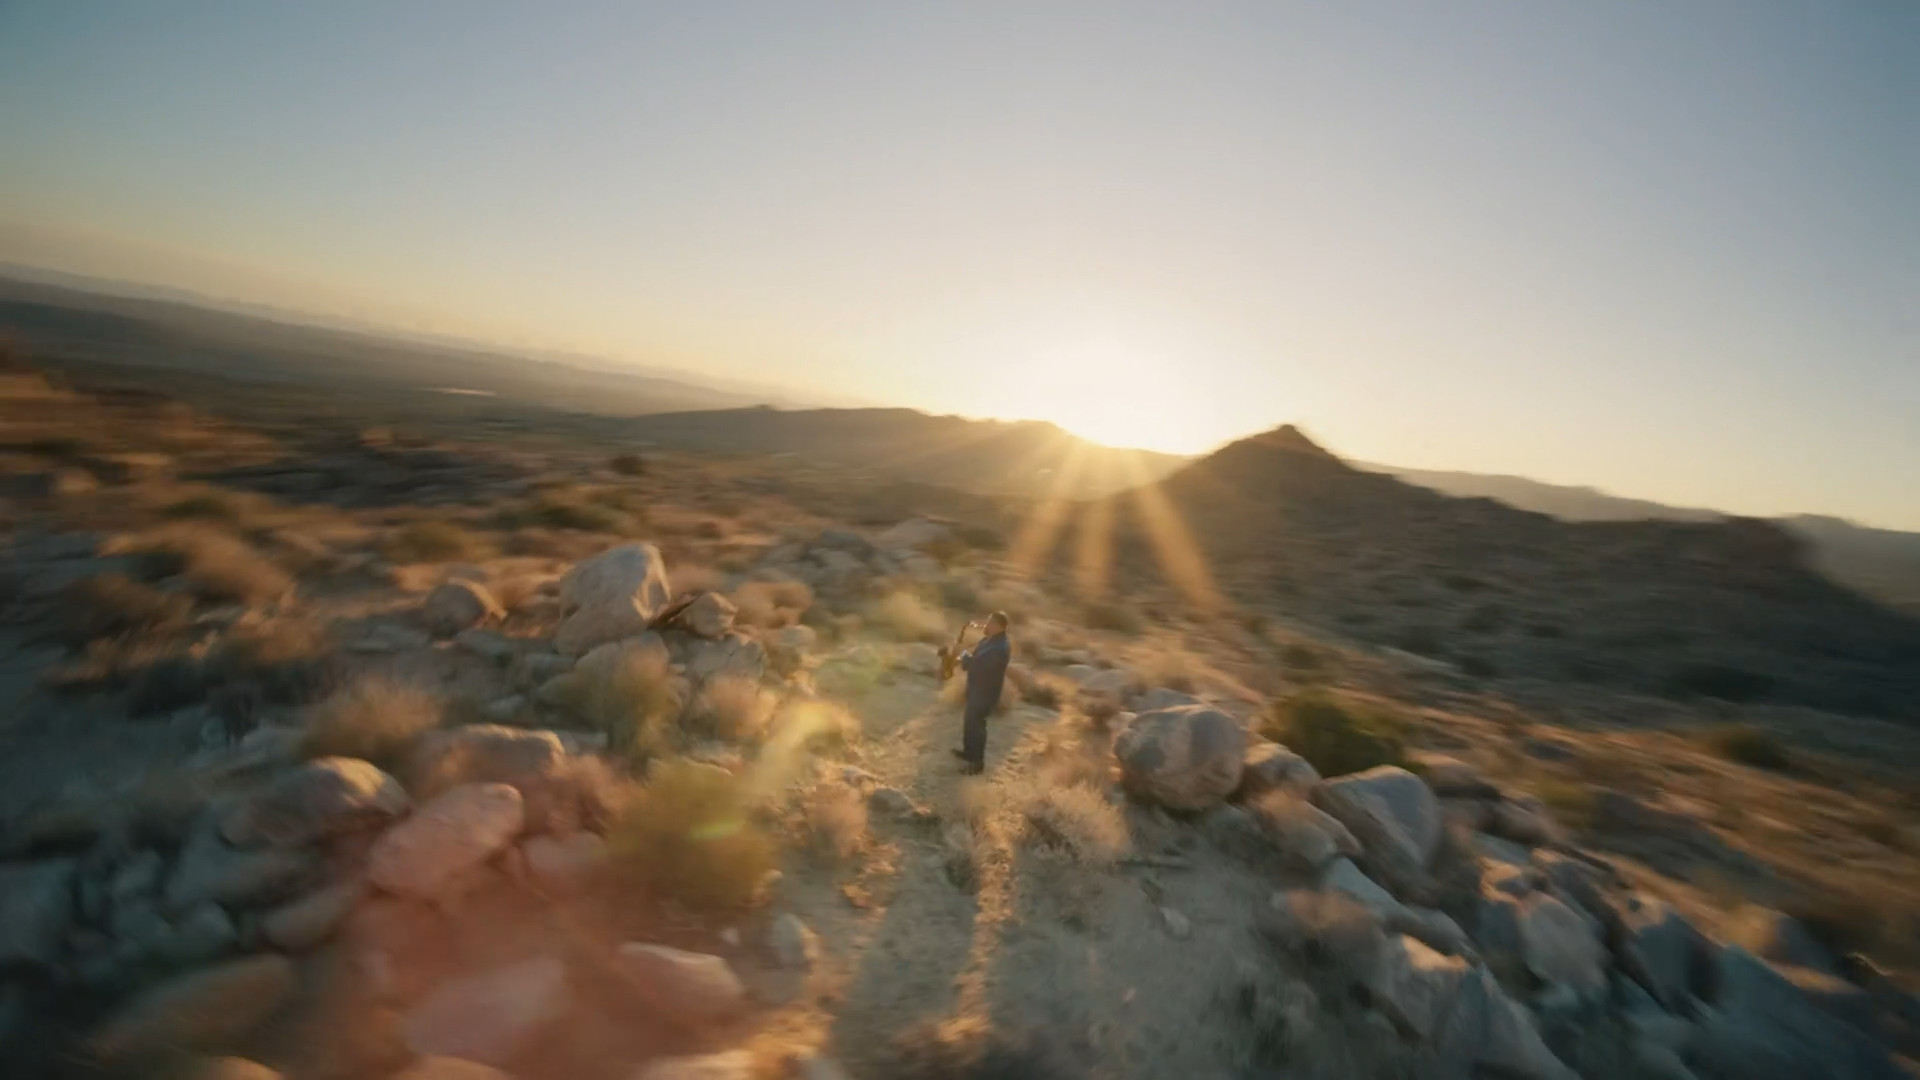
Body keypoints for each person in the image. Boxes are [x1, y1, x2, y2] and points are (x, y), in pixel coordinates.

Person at [951, 611, 1011, 774]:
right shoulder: (990, 640)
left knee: (977, 726)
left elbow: (978, 666)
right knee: (970, 722)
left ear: (998, 626)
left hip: (985, 694)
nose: (986, 625)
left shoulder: (999, 647)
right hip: (977, 690)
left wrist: (962, 654)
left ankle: (977, 764)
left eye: (990, 623)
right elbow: (977, 657)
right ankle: (968, 753)